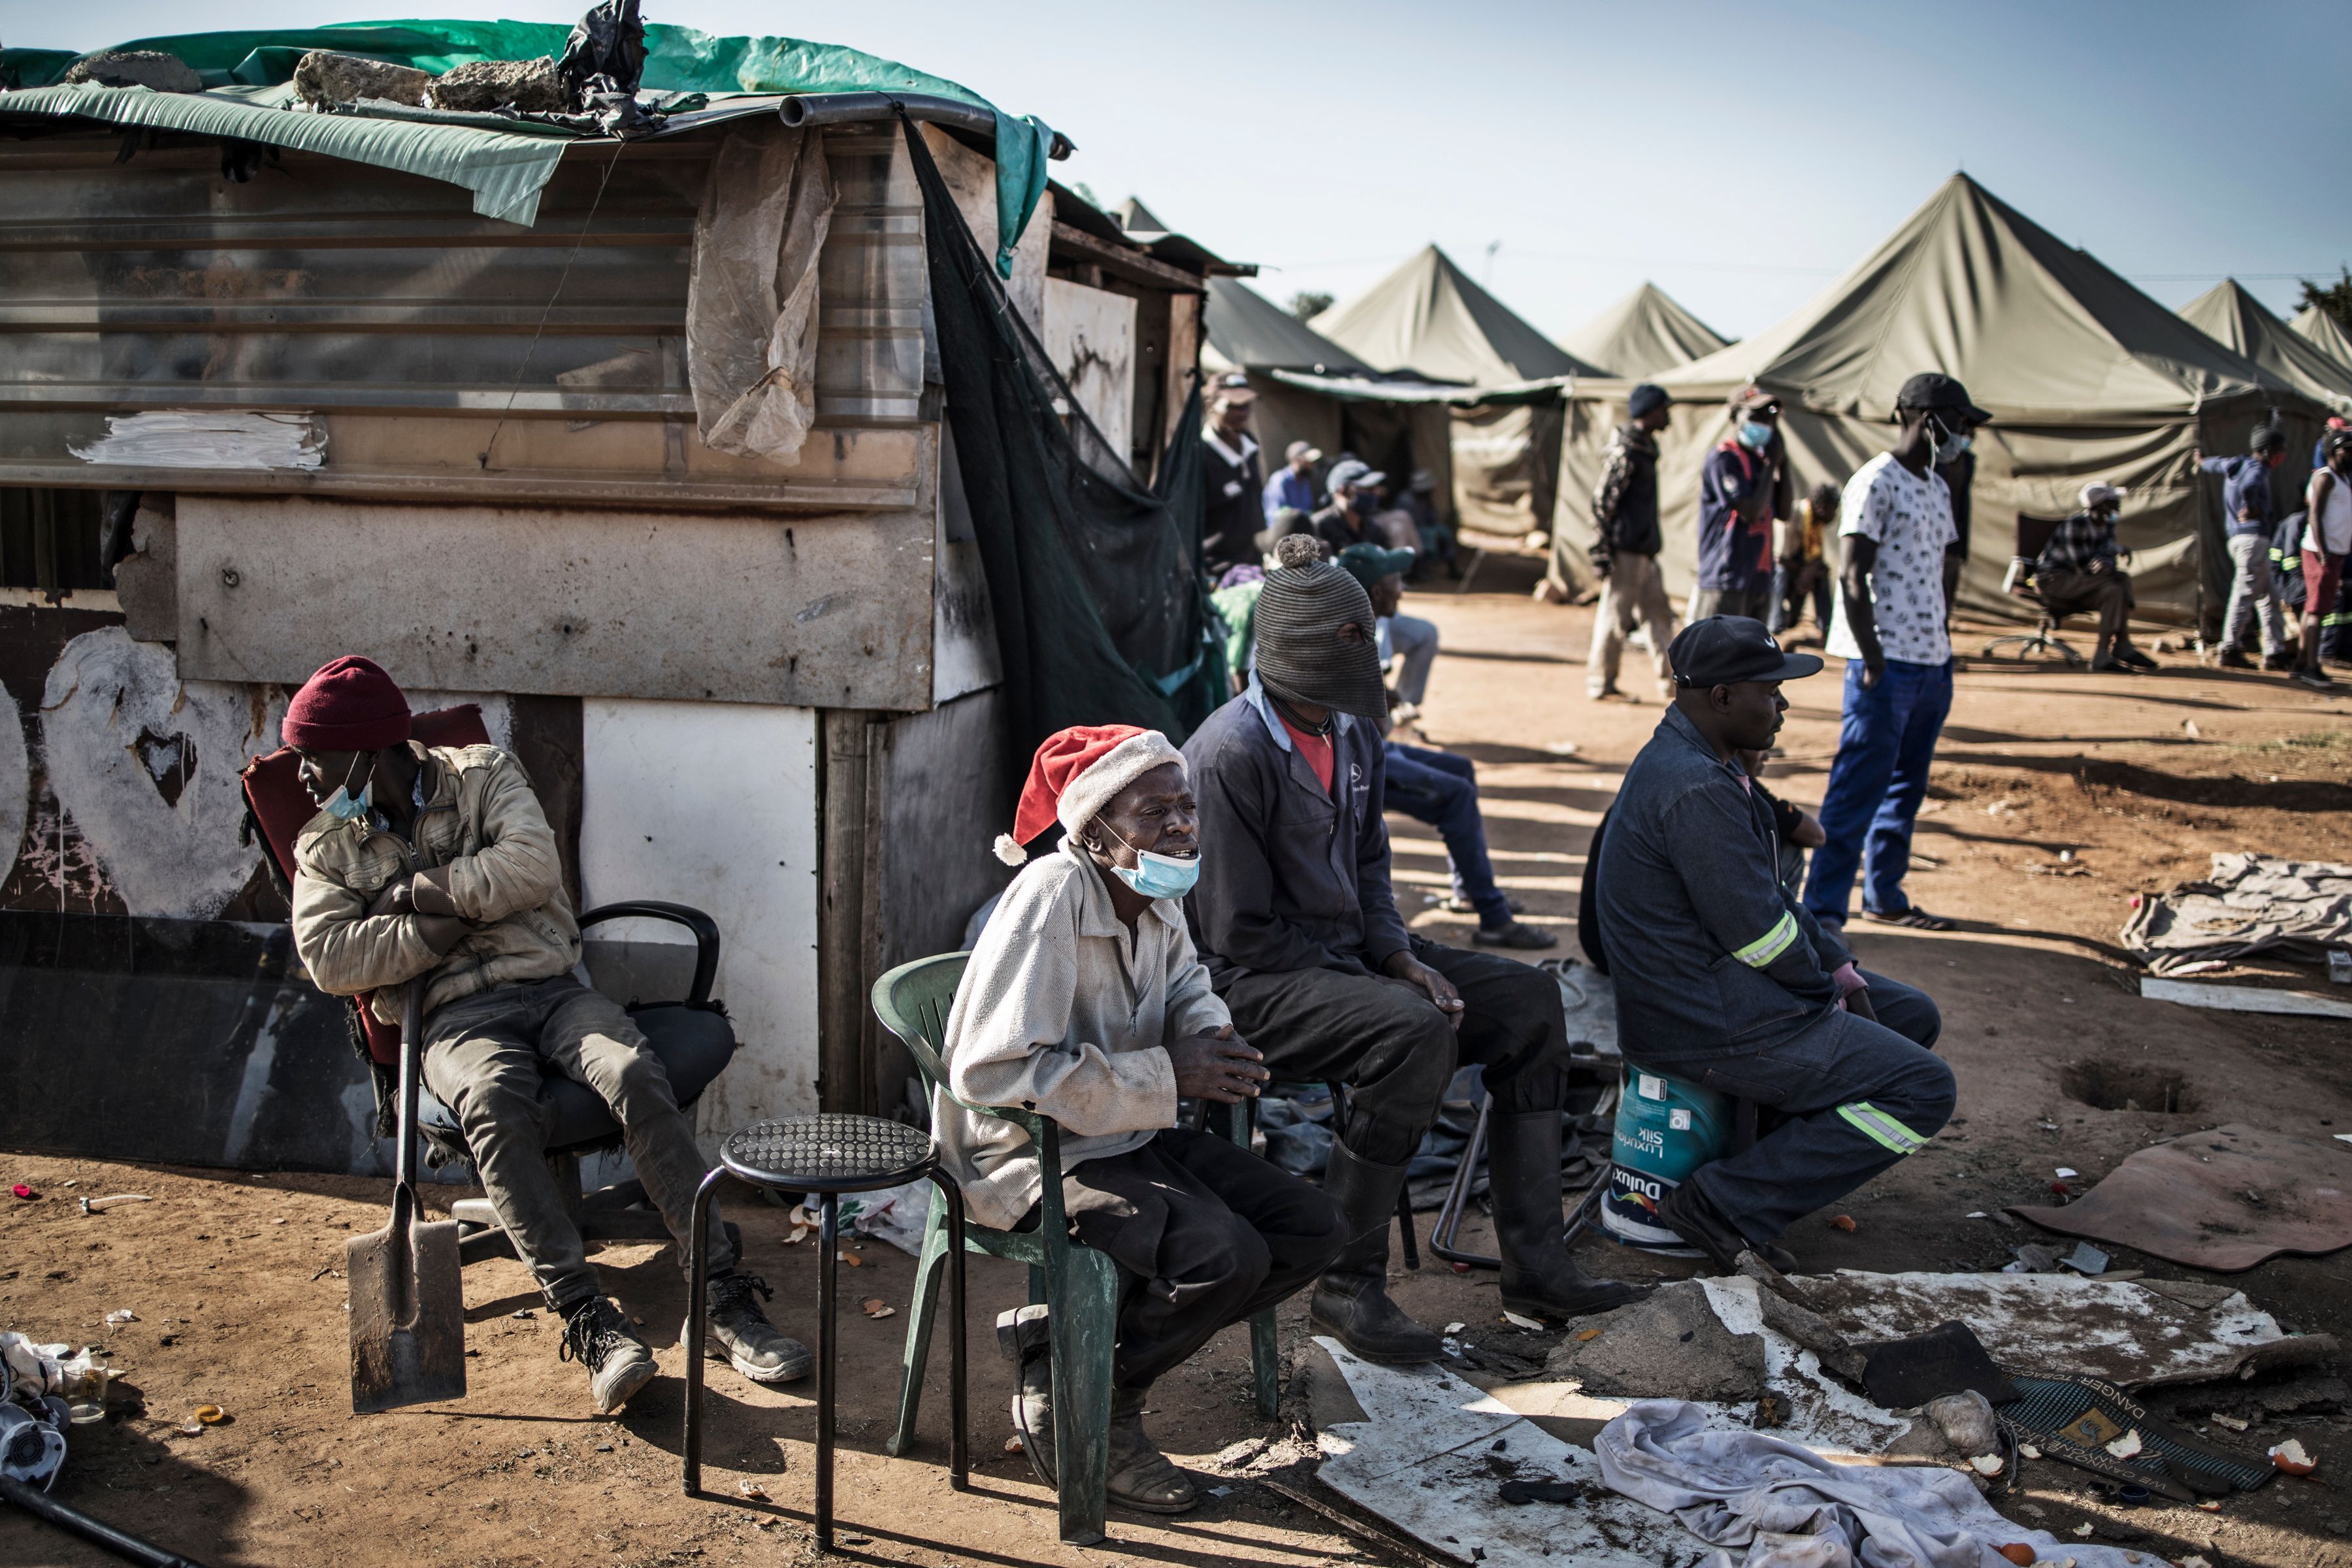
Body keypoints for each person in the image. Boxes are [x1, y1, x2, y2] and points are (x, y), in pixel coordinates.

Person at [283, 657, 805, 1414]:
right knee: (493, 1100)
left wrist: (418, 893)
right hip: (451, 1016)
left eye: (314, 756)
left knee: (631, 1070)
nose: (302, 775)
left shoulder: (482, 774)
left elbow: (529, 868)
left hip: (553, 987)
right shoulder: (325, 845)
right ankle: (590, 1320)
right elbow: (331, 957)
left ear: (366, 749)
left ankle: (721, 1291)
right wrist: (442, 927)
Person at [1183, 535, 1642, 1365]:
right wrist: (1373, 979)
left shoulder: (1353, 734)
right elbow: (1235, 931)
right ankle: (1346, 1285)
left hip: (1348, 958)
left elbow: (1371, 865)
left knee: (1530, 1004)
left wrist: (1397, 956)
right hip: (1252, 980)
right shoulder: (1228, 755)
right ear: (1291, 660)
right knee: (1413, 1031)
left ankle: (1538, 1266)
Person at [947, 725, 1345, 1512]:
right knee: (1221, 1256)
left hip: (1126, 1130)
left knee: (1313, 1227)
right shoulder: (1053, 895)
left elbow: (1190, 982)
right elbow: (990, 1074)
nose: (1179, 826)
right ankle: (1098, 1407)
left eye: (1186, 807)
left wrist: (1212, 1038)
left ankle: (1070, 1356)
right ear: (1094, 831)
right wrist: (1168, 1072)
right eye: (1153, 811)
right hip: (1029, 1153)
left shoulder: (1156, 890)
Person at [1597, 617, 1952, 1273]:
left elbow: (1775, 903)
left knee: (1911, 1015)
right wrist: (1824, 1000)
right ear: (1723, 696)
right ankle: (1722, 1203)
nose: (1783, 707)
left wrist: (1843, 975)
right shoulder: (1696, 787)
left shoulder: (1710, 766)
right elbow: (1762, 937)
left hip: (1718, 993)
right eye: (1770, 691)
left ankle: (1758, 1174)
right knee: (1922, 1090)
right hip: (1699, 1018)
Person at [1805, 373, 1987, 934]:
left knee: (1907, 787)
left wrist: (1944, 644)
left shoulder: (1936, 485)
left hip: (1932, 663)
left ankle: (1885, 893)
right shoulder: (1875, 482)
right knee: (1857, 788)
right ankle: (1824, 914)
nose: (1964, 436)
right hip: (1885, 664)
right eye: (1959, 424)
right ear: (1928, 420)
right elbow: (1853, 577)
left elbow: (1941, 569)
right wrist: (1874, 659)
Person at [1335, 541, 1555, 951]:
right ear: (1375, 593)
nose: (1402, 588)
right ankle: (1494, 918)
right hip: (1358, 763)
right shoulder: (1356, 636)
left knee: (1461, 771)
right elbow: (1375, 725)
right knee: (1457, 795)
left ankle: (1468, 888)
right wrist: (1387, 701)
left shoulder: (1364, 627)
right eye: (1395, 580)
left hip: (1371, 749)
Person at [1586, 382, 1680, 700]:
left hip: (1644, 551)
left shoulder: (1645, 449)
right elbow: (1602, 502)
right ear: (1650, 412)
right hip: (1626, 551)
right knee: (1615, 618)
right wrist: (1601, 550)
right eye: (1664, 409)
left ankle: (1672, 684)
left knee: (1659, 617)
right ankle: (1601, 683)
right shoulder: (1626, 451)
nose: (1667, 416)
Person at [1690, 384, 1789, 623]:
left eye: (1768, 418)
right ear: (1735, 418)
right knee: (1717, 657)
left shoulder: (1761, 462)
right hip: (1727, 578)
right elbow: (1750, 512)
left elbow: (1784, 512)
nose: (1764, 424)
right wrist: (1770, 465)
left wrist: (1783, 464)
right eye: (1755, 416)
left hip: (1759, 578)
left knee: (1753, 658)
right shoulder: (1724, 459)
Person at [2034, 482, 2157, 674]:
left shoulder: (2107, 526)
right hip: (2055, 580)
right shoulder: (2076, 525)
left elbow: (2106, 563)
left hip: (2082, 582)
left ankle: (2107, 652)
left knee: (2115, 589)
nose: (2118, 505)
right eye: (2112, 501)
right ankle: (2120, 646)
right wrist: (2106, 561)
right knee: (2118, 583)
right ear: (2099, 505)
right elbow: (2083, 566)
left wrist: (2109, 559)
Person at [2202, 423, 2292, 671]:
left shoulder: (2235, 464)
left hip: (2239, 539)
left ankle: (2275, 652)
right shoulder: (2257, 469)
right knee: (2244, 594)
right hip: (2252, 539)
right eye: (2280, 450)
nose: (2283, 456)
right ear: (2268, 451)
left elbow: (2213, 464)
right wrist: (2251, 505)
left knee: (2269, 598)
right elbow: (2250, 485)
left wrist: (2199, 461)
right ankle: (2229, 647)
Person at [2295, 431, 2352, 693]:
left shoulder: (2343, 479)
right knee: (2318, 611)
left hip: (2334, 552)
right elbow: (2314, 515)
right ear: (2332, 452)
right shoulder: (2325, 478)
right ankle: (2310, 667)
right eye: (2347, 450)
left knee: (2313, 609)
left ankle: (2300, 663)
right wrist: (2324, 552)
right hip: (2322, 552)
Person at [1201, 374, 1266, 579]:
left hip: (1254, 563)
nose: (1243, 413)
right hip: (1218, 569)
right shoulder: (1202, 455)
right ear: (1212, 406)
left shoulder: (1249, 443)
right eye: (1234, 406)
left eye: (1246, 405)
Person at [1770, 483, 1840, 643]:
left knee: (1822, 573)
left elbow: (1817, 558)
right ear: (1822, 506)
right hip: (1781, 568)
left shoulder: (1816, 523)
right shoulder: (1794, 513)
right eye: (1833, 508)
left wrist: (1810, 571)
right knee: (1781, 573)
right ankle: (1775, 624)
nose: (1834, 514)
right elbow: (1779, 558)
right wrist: (1805, 572)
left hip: (1799, 569)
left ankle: (1826, 628)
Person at [1311, 459, 1388, 555]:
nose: (1374, 494)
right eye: (1368, 489)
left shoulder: (1373, 530)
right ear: (1343, 491)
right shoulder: (1319, 527)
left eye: (1375, 489)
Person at [1401, 468, 1458, 576]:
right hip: (1413, 529)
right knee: (1429, 536)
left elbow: (1431, 518)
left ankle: (1452, 568)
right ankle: (1422, 568)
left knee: (1444, 531)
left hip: (1426, 527)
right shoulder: (1406, 500)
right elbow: (1408, 522)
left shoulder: (1425, 499)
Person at [1264, 440, 1322, 523]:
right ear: (1296, 460)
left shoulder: (1304, 480)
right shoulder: (1280, 480)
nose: (1312, 465)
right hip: (1284, 532)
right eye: (1309, 462)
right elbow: (1276, 515)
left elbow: (1308, 510)